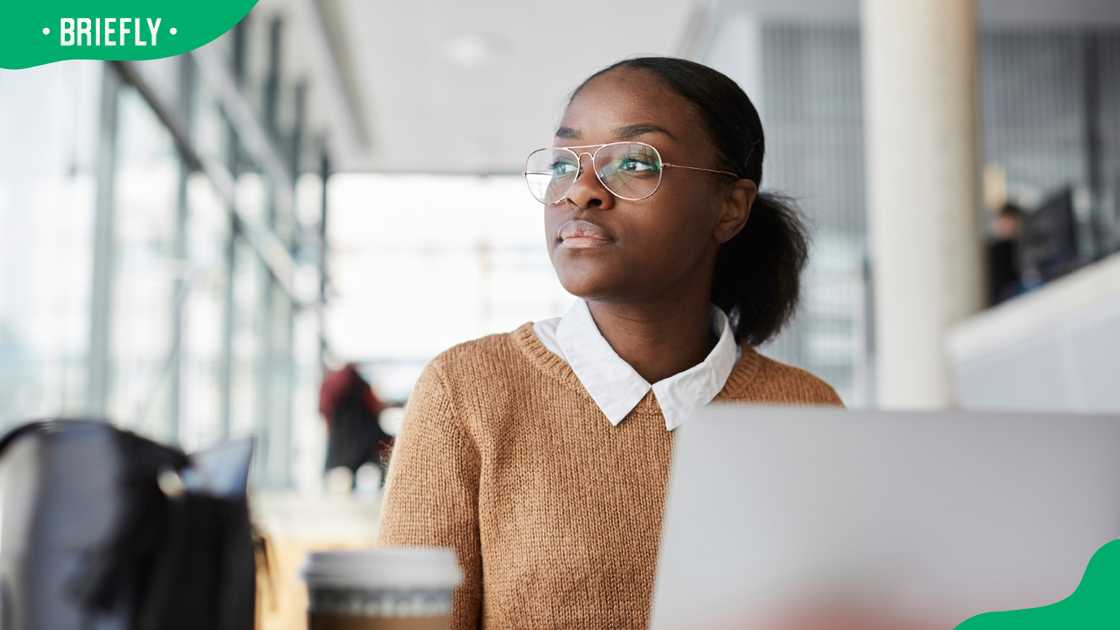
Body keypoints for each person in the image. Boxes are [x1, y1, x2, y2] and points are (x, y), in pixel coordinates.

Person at [377, 57, 843, 629]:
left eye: (633, 162)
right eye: (562, 164)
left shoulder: (807, 411)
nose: (581, 192)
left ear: (730, 207)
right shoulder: (466, 392)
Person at [318, 363, 393, 487]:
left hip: (341, 456)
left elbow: (323, 412)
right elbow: (378, 407)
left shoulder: (333, 389)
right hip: (364, 448)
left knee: (340, 484)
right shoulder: (362, 388)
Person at [986, 201, 1024, 305]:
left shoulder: (1021, 248)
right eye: (1002, 221)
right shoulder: (992, 249)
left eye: (1008, 221)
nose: (1003, 225)